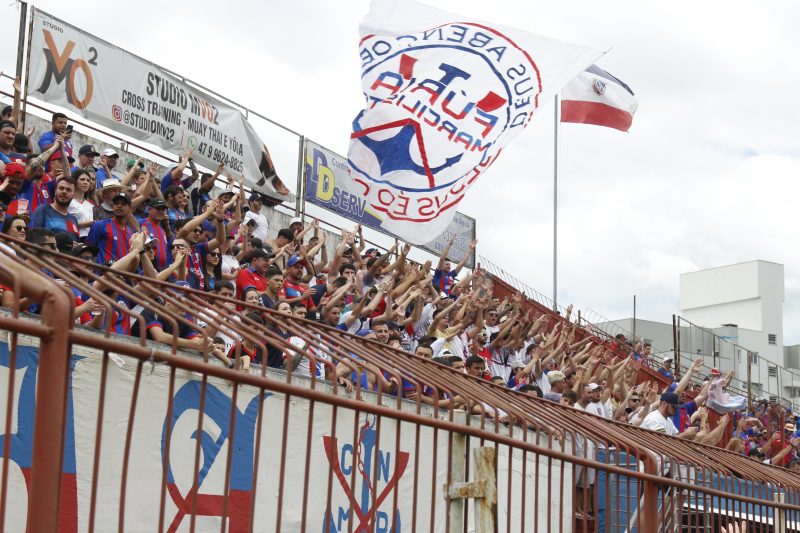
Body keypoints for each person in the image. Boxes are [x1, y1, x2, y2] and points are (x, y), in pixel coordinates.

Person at [86, 193, 136, 264]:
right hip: (101, 273)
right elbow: (88, 250)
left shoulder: (132, 233)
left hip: (122, 273)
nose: (119, 206)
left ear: (130, 209)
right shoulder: (99, 225)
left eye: (123, 204)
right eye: (116, 203)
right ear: (113, 207)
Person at [138, 199, 170, 270]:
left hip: (162, 270)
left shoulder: (163, 230)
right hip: (145, 269)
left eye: (163, 209)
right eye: (158, 209)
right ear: (149, 210)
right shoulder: (140, 223)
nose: (161, 212)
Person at [68, 169, 96, 239]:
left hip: (88, 240)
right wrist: (83, 224)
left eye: (88, 180)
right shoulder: (68, 201)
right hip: (73, 239)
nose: (86, 182)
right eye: (82, 179)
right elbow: (63, 222)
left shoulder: (90, 205)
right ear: (75, 181)